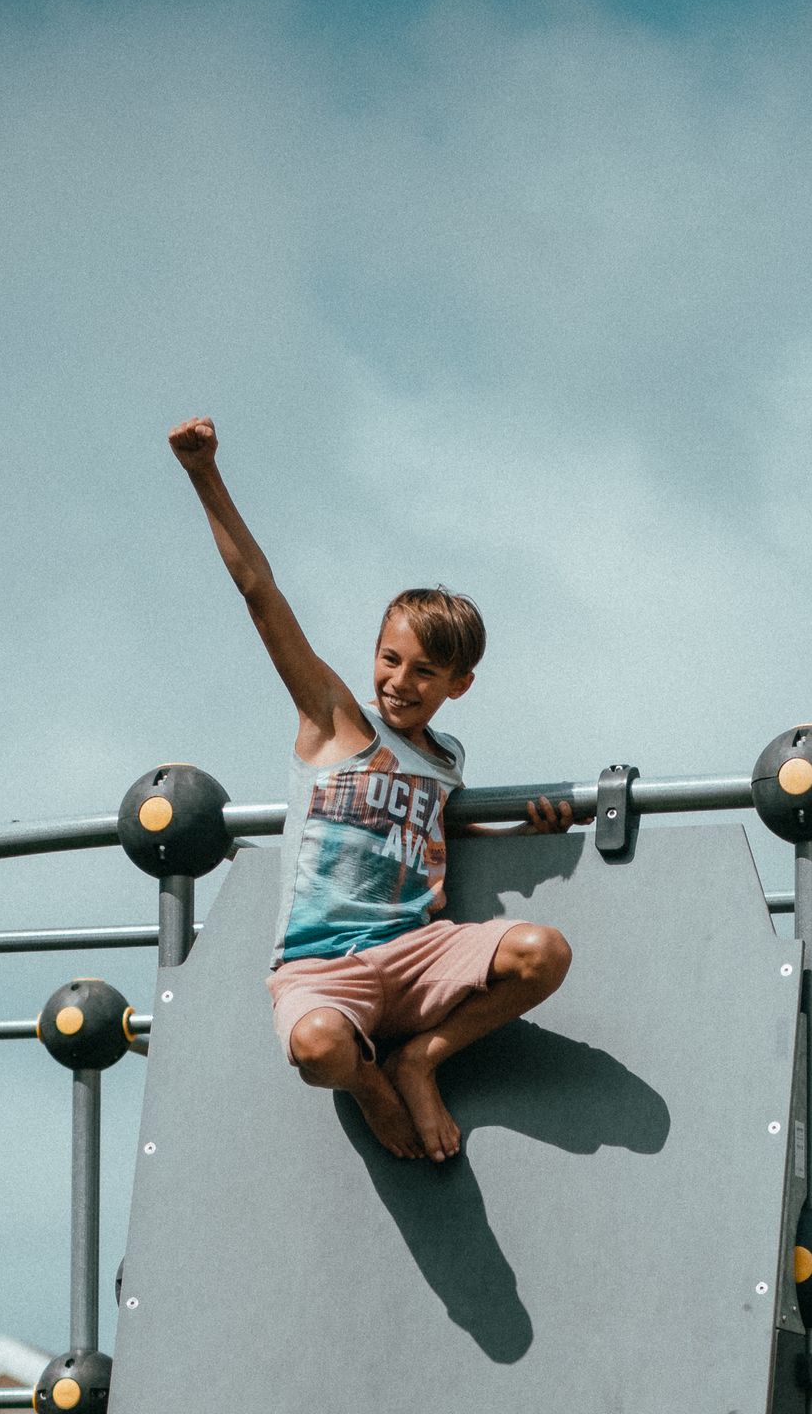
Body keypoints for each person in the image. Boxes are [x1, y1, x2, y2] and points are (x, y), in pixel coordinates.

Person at [168, 414, 574, 1163]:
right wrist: (205, 474)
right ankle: (373, 1084)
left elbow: (434, 838)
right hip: (322, 966)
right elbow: (260, 592)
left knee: (542, 952)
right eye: (390, 659)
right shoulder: (334, 722)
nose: (400, 682)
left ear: (460, 684)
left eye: (424, 672)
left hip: (417, 951)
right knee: (319, 1050)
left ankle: (421, 1059)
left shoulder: (445, 758)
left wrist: (526, 839)